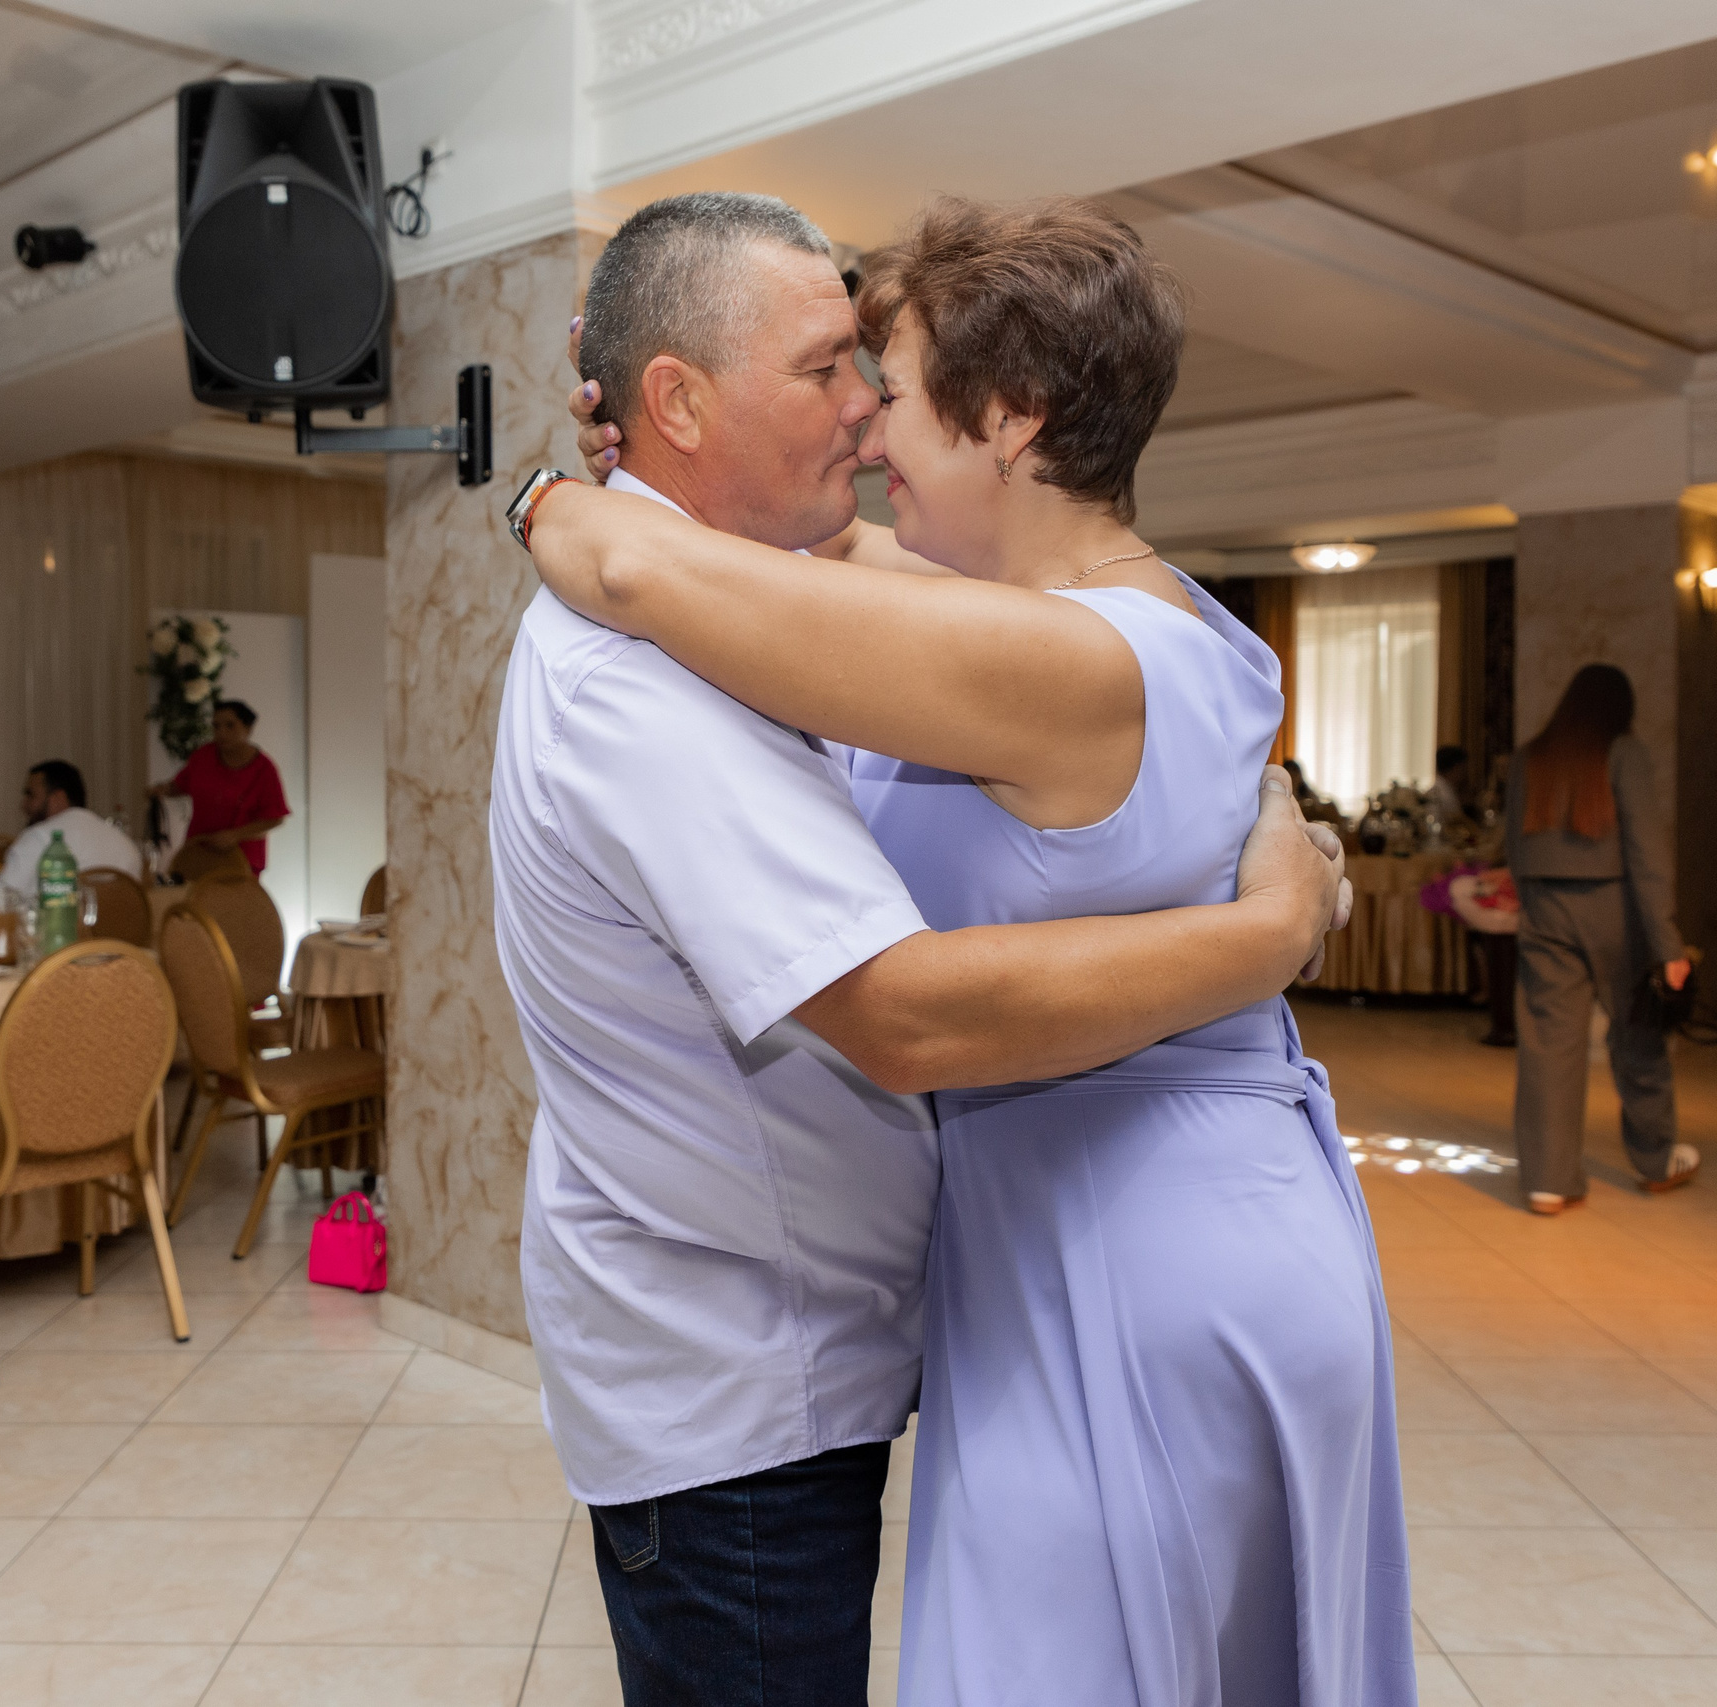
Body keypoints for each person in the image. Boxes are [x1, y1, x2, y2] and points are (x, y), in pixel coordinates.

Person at [527, 192, 1408, 1707]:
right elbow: (813, 562)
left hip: (1145, 1247)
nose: (867, 424)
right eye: (836, 378)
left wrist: (558, 501)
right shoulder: (1068, 619)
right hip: (1069, 1239)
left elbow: (655, 576)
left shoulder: (1045, 651)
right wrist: (627, 466)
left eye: (891, 386)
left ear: (1010, 420)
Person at [1508, 664, 1695, 1213]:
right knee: (1638, 1033)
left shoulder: (1531, 756)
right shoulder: (1625, 751)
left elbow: (1515, 847)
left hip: (1545, 907)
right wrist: (1668, 944)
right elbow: (1647, 851)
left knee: (1549, 1045)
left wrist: (1534, 901)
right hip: (1615, 906)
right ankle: (1657, 1160)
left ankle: (1547, 1179)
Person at [150, 701, 287, 876]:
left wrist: (235, 835)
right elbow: (180, 786)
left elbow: (275, 818)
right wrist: (161, 790)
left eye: (230, 726)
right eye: (216, 726)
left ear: (248, 728)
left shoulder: (264, 769)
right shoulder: (203, 757)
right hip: (198, 854)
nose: (221, 732)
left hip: (241, 860)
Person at [0, 761, 140, 899]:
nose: (24, 804)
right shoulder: (126, 846)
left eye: (31, 795)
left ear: (58, 798)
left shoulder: (39, 837)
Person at [1423, 743, 1472, 823]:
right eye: (1463, 768)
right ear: (1456, 768)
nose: (1465, 773)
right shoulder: (1443, 794)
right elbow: (1457, 824)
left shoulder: (1442, 788)